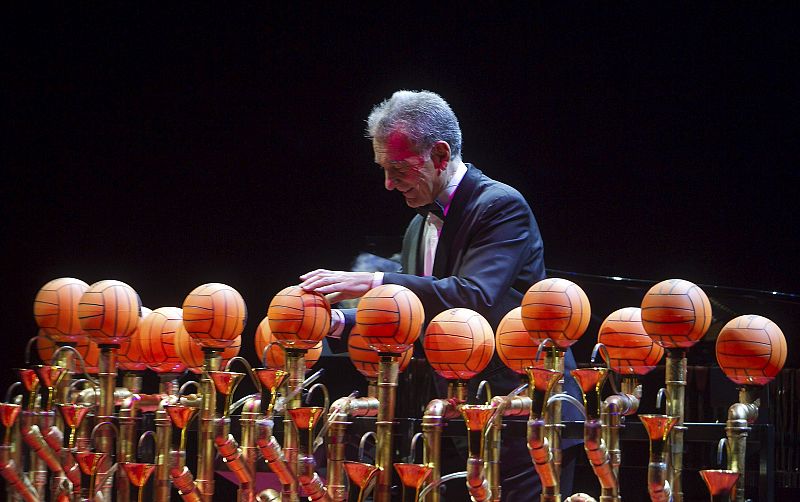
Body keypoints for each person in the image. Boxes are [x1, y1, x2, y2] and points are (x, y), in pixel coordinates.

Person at [300, 90, 581, 500]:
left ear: (440, 154)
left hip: (523, 418)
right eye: (383, 169)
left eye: (397, 168)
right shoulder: (417, 227)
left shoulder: (500, 206)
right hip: (454, 417)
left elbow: (473, 297)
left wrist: (374, 281)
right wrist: (336, 321)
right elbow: (414, 315)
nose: (387, 184)